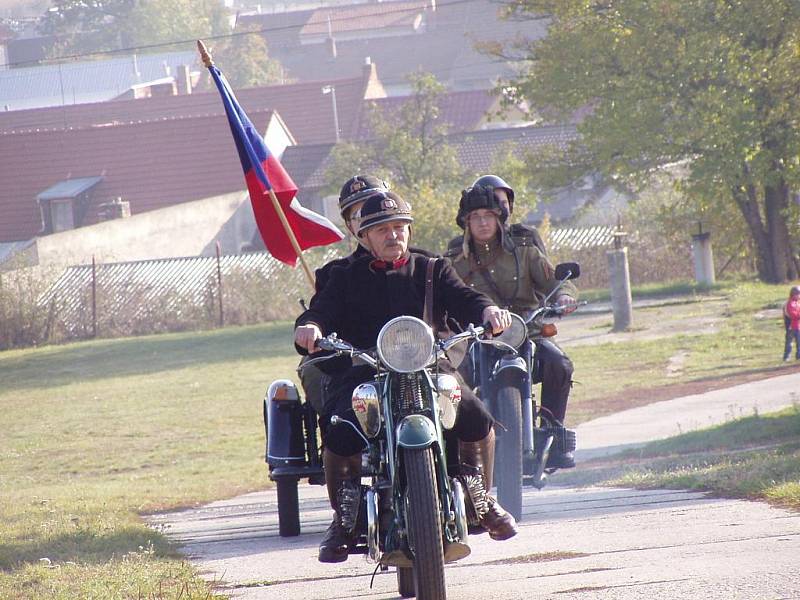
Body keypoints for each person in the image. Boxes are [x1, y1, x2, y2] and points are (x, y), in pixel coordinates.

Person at [294, 190, 519, 563]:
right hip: (366, 367)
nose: (393, 235)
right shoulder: (343, 277)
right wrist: (310, 328)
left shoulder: (431, 268)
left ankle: (480, 496)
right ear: (363, 237)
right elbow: (321, 311)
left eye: (400, 227)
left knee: (477, 415)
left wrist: (489, 311)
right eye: (382, 229)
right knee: (339, 427)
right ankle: (344, 517)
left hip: (430, 365)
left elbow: (465, 297)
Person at [446, 184, 579, 469]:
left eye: (489, 215)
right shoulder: (455, 260)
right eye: (475, 216)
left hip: (525, 330)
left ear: (499, 218)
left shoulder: (525, 251)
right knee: (452, 381)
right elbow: (441, 293)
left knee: (560, 365)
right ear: (466, 222)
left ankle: (553, 434)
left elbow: (554, 281)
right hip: (477, 338)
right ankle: (458, 449)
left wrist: (565, 296)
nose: (483, 222)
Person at [447, 174, 547, 257]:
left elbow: (547, 277)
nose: (501, 210)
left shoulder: (526, 236)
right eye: (494, 205)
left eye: (504, 203)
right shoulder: (459, 245)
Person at [783, 285, 800, 361]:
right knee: (789, 342)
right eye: (798, 294)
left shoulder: (797, 303)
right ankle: (787, 357)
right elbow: (792, 314)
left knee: (799, 342)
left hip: (797, 326)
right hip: (791, 326)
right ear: (794, 294)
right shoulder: (790, 303)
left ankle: (798, 356)